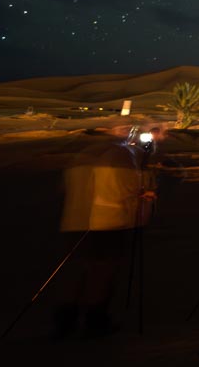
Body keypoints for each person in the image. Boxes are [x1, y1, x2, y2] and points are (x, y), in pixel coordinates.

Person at [52, 124, 159, 339]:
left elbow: (63, 188)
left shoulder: (84, 154)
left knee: (77, 271)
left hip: (75, 221)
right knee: (102, 272)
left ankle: (64, 322)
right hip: (108, 224)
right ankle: (95, 321)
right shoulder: (121, 155)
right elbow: (129, 188)